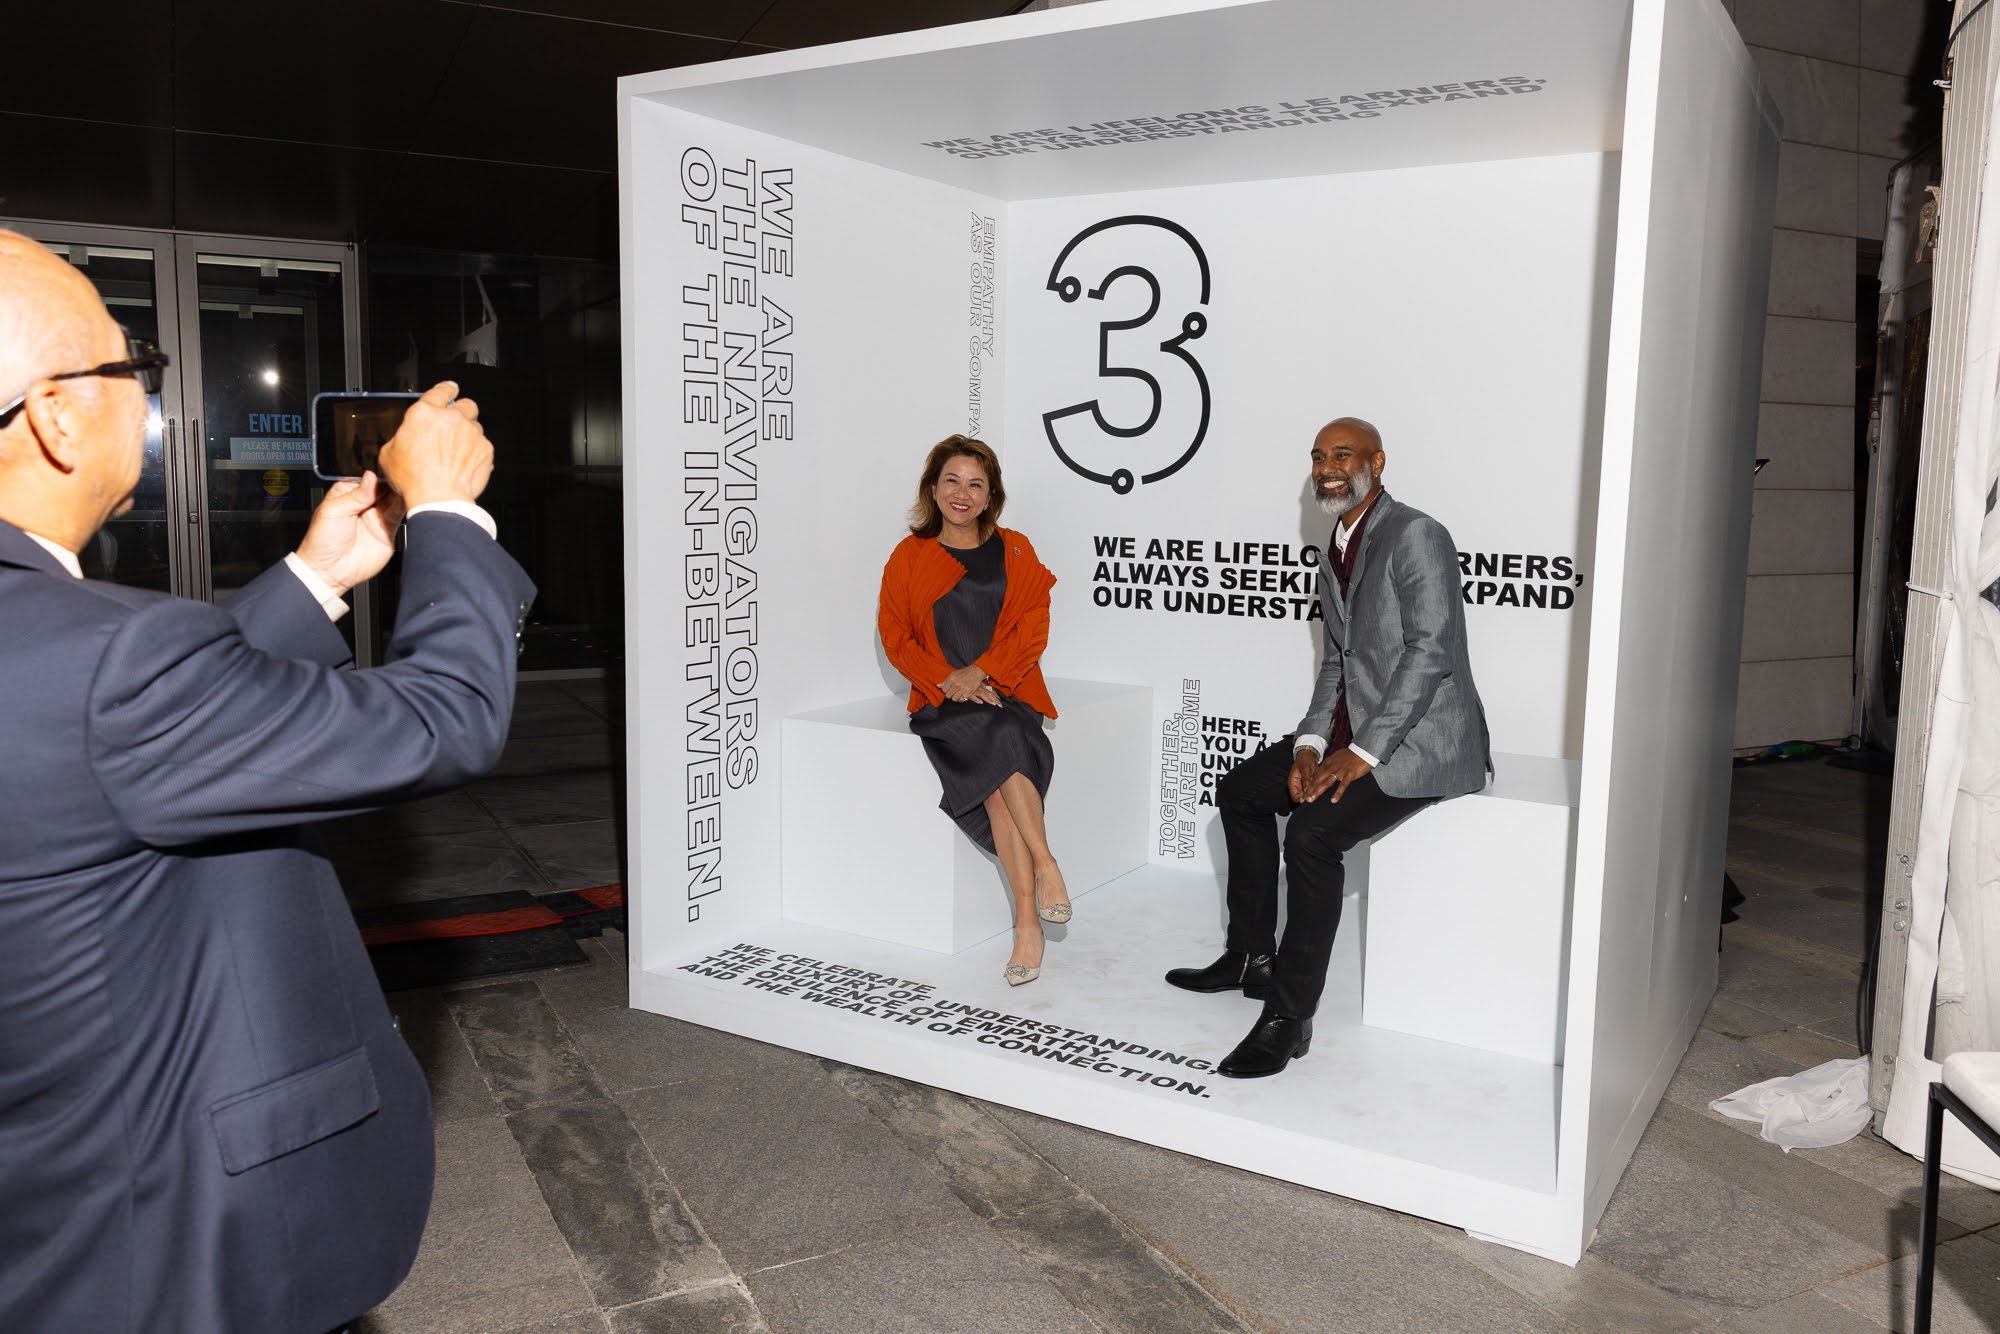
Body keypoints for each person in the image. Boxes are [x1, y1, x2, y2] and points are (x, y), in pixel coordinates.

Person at [0, 229, 535, 1333]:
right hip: (159, 1242)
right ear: (55, 415)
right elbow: (448, 717)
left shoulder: (57, 650)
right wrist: (445, 514)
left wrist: (313, 577)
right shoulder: (105, 662)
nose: (142, 397)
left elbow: (117, 740)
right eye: (127, 367)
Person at [1166, 417, 1490, 1078]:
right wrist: (1313, 742)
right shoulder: (1333, 546)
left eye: (1342, 454)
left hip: (1423, 740)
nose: (1327, 467)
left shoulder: (1416, 535)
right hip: (1356, 726)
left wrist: (1361, 752)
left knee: (1311, 836)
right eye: (1318, 457)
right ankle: (1250, 958)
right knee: (1241, 792)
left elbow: (1433, 653)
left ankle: (1289, 1017)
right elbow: (1339, 663)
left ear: (1378, 461)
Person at [878, 436, 1069, 986]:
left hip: (1004, 687)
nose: (962, 494)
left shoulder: (1015, 549)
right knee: (1000, 743)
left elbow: (1034, 623)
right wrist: (948, 680)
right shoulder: (909, 556)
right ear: (933, 490)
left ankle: (1028, 921)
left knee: (1002, 749)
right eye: (952, 482)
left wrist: (982, 672)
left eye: (975, 485)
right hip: (943, 702)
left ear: (991, 496)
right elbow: (895, 636)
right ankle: (1045, 869)